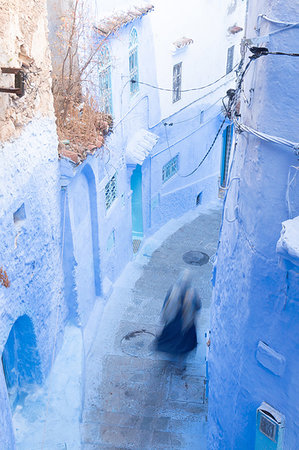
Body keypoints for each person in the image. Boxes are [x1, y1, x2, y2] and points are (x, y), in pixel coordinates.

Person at [154, 269, 201, 360]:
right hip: (183, 322)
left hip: (175, 321)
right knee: (184, 341)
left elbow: (166, 303)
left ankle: (173, 353)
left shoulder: (174, 290)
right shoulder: (192, 292)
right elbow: (198, 306)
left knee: (173, 339)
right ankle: (179, 356)